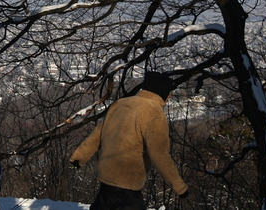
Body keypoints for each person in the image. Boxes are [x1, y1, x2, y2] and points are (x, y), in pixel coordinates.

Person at [69, 71, 189, 210]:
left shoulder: (120, 103)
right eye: (169, 92)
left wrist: (78, 158)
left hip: (106, 179)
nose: (170, 96)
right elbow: (159, 155)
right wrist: (180, 187)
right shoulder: (154, 113)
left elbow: (98, 134)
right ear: (161, 91)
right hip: (128, 184)